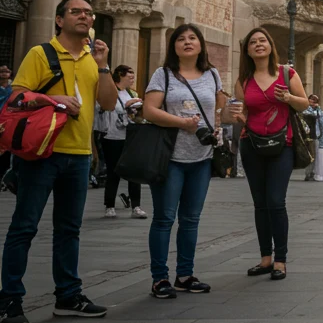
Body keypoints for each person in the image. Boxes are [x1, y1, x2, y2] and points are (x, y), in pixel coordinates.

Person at [0, 0, 117, 323]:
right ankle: (10, 300)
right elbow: (17, 97)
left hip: (80, 155)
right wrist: (54, 99)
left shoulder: (95, 58)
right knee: (24, 227)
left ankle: (68, 295)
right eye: (76, 12)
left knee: (69, 229)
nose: (84, 17)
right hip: (41, 153)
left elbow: (108, 104)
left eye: (89, 13)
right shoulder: (41, 54)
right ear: (59, 19)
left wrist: (104, 64)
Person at [144, 24, 229, 300]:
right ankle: (159, 279)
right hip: (170, 157)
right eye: (181, 39)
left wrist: (222, 120)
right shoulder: (163, 74)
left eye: (193, 38)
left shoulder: (212, 74)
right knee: (165, 218)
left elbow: (219, 110)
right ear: (173, 46)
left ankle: (184, 275)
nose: (187, 42)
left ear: (201, 44)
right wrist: (182, 123)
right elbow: (149, 110)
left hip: (202, 157)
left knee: (191, 219)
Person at [234, 27, 309, 281]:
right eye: (253, 42)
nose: (258, 44)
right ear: (247, 50)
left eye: (262, 40)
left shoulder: (286, 73)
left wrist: (287, 97)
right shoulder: (244, 80)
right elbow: (242, 113)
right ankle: (265, 258)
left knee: (276, 202)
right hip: (251, 144)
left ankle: (281, 260)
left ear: (270, 45)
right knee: (260, 204)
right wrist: (237, 116)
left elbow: (305, 103)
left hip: (282, 145)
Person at [98, 65, 145, 218]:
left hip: (130, 136)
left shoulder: (131, 93)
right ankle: (109, 206)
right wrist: (126, 106)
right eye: (129, 76)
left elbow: (135, 116)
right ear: (120, 75)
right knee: (113, 171)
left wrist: (137, 110)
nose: (132, 78)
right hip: (112, 135)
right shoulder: (111, 91)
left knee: (134, 171)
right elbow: (105, 107)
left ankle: (136, 206)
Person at [302, 95, 323, 183]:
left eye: (314, 102)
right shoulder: (306, 109)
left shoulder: (319, 111)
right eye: (310, 101)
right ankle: (308, 173)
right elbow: (308, 114)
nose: (312, 104)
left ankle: (314, 172)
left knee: (316, 155)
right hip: (308, 135)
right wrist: (316, 109)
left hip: (317, 135)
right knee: (311, 155)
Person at [0, 65, 12, 188]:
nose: (4, 73)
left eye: (6, 71)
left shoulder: (12, 88)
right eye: (2, 71)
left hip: (7, 121)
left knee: (6, 151)